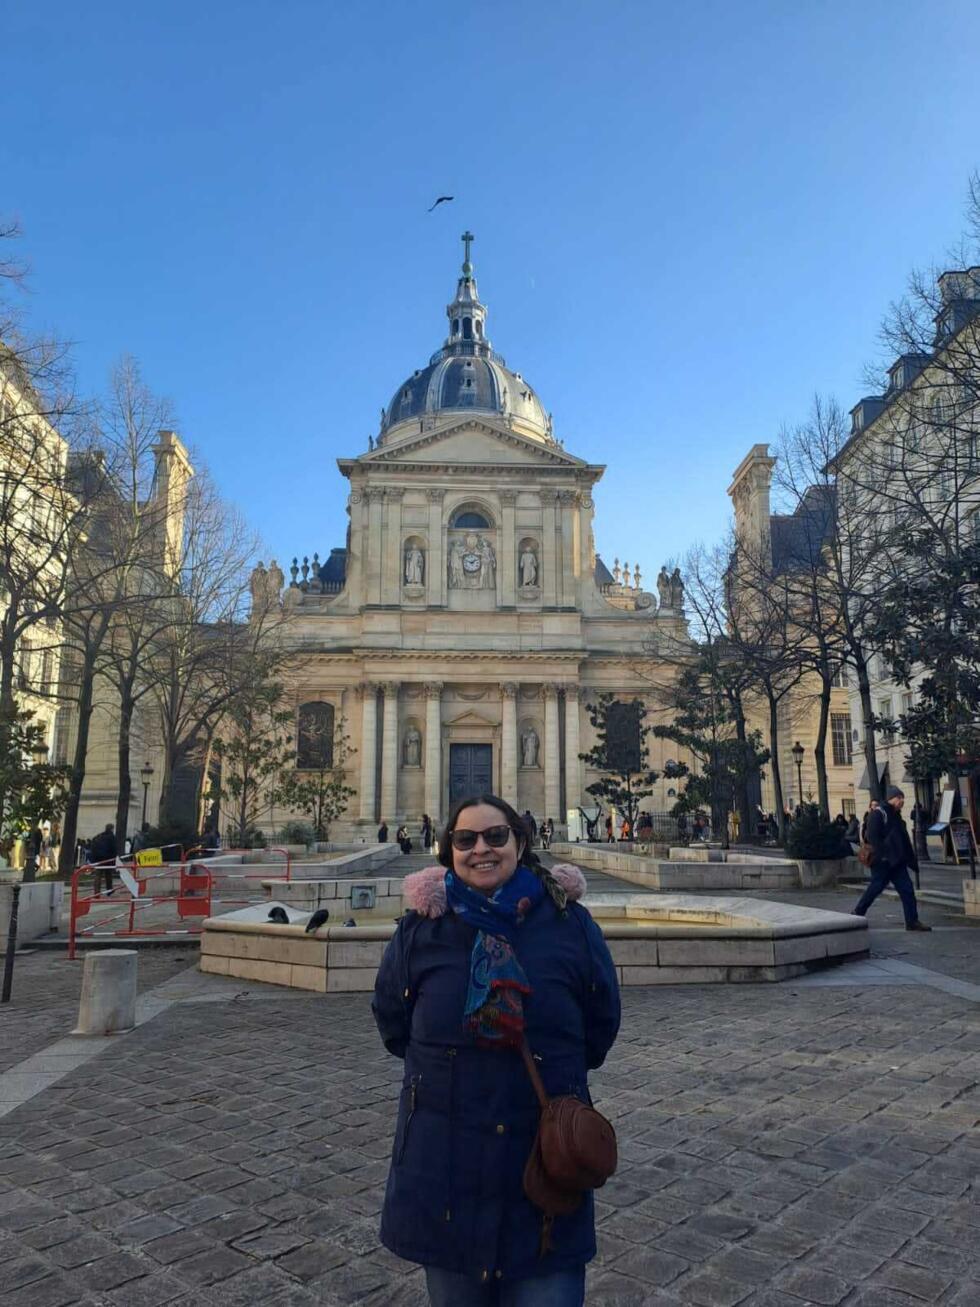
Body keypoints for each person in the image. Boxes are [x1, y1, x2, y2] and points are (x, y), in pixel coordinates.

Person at [372, 794, 620, 1305]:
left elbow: (600, 1024)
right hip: (447, 1168)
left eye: (496, 836)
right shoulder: (421, 931)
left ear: (520, 843)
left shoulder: (569, 925)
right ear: (450, 851)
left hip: (545, 1163)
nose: (481, 849)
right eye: (466, 839)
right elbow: (393, 1022)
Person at [853, 786, 930, 932]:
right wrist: (883, 855)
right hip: (883, 861)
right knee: (875, 888)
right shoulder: (878, 814)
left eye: (902, 798)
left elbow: (903, 839)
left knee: (907, 890)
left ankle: (912, 921)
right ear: (890, 799)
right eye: (898, 798)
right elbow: (873, 836)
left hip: (897, 861)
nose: (902, 801)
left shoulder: (896, 816)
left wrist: (910, 860)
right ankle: (858, 912)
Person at [88, 823, 118, 895]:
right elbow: (114, 849)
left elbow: (93, 846)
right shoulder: (112, 837)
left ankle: (96, 892)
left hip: (98, 859)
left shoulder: (99, 836)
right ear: (112, 829)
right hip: (108, 859)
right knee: (108, 875)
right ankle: (109, 890)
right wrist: (114, 859)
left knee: (98, 875)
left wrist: (94, 858)